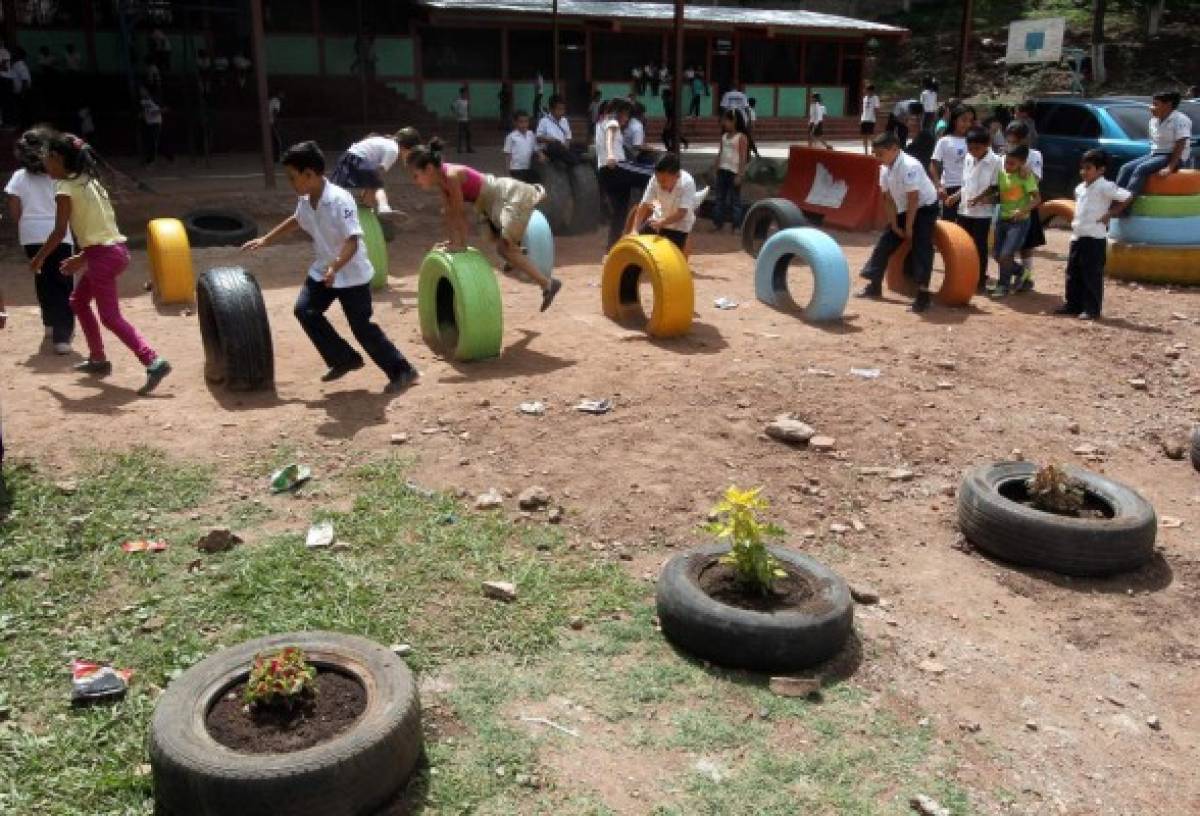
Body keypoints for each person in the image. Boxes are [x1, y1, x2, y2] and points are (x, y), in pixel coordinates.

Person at [243, 141, 418, 393]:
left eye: (293, 178)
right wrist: (266, 239)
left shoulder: (339, 200)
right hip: (324, 269)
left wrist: (335, 267)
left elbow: (353, 241)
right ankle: (344, 359)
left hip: (351, 274)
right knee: (305, 311)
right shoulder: (306, 199)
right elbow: (296, 220)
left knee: (362, 327)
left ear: (310, 175)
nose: (291, 183)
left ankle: (403, 370)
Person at [31, 132, 171, 394]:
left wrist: (39, 258)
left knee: (110, 317)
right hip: (113, 251)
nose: (44, 165)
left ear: (57, 159)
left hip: (103, 257)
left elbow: (60, 231)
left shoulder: (65, 188)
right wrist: (83, 256)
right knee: (78, 301)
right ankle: (97, 359)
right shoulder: (89, 182)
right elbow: (102, 229)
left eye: (46, 160)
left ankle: (152, 360)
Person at [407, 138, 561, 311]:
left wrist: (461, 245)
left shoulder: (451, 176)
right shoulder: (442, 183)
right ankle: (535, 271)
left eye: (416, 175)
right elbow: (449, 214)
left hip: (504, 195)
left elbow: (459, 213)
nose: (415, 181)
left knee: (505, 248)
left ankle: (546, 283)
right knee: (502, 247)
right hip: (488, 204)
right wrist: (451, 241)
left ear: (428, 169)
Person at [7, 128, 75, 354]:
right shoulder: (59, 173)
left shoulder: (18, 177)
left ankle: (49, 323)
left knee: (43, 278)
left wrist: (25, 226)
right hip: (59, 232)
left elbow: (15, 210)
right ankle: (62, 336)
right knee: (63, 281)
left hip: (31, 234)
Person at [858, 132, 940, 313]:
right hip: (903, 208)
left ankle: (923, 296)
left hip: (925, 207)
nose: (877, 158)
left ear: (894, 149)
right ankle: (874, 284)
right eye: (875, 154)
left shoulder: (910, 165)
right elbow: (887, 199)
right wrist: (895, 225)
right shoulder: (884, 169)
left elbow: (914, 198)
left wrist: (909, 227)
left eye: (880, 154)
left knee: (921, 245)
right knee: (885, 243)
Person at [1058, 149, 1132, 320]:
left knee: (1091, 275)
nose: (1083, 172)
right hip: (1078, 235)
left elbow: (1127, 196)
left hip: (1094, 238)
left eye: (1088, 168)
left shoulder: (1106, 186)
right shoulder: (1080, 188)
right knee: (1073, 272)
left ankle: (1091, 309)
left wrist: (1111, 213)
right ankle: (1073, 305)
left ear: (1101, 170)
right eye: (1082, 168)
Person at [948, 127, 1001, 292]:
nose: (973, 152)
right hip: (965, 210)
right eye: (970, 149)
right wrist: (955, 197)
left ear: (987, 145)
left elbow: (994, 187)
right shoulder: (969, 158)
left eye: (977, 148)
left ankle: (979, 280)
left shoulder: (996, 161)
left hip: (983, 213)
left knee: (979, 246)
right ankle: (963, 276)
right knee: (963, 245)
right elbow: (966, 184)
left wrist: (978, 199)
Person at [1116, 91, 1192, 199]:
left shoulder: (1180, 120)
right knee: (1126, 168)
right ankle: (1115, 200)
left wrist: (1170, 167)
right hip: (1156, 155)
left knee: (1141, 169)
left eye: (1156, 104)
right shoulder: (1153, 121)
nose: (1151, 107)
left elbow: (1180, 144)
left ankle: (1125, 204)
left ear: (1168, 105)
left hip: (1173, 157)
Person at [989, 145, 1041, 298]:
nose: (1008, 166)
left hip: (1019, 222)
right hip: (1002, 219)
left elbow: (1037, 199)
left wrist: (1022, 211)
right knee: (997, 255)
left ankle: (1003, 286)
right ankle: (1022, 272)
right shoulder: (1001, 174)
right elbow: (998, 193)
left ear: (1022, 163)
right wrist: (984, 200)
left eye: (1012, 163)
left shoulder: (1026, 176)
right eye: (1006, 162)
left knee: (1006, 254)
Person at [329, 130, 416, 213]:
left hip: (346, 158)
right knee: (377, 184)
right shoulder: (394, 150)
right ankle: (381, 208)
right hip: (357, 160)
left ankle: (365, 204)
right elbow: (378, 173)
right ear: (405, 147)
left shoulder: (384, 140)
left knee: (335, 189)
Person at [628, 153, 698, 256]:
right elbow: (644, 205)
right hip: (658, 219)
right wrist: (634, 230)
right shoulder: (654, 180)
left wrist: (662, 222)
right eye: (658, 180)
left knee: (671, 260)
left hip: (680, 226)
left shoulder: (688, 183)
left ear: (677, 175)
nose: (660, 184)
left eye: (664, 181)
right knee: (635, 250)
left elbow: (681, 213)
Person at [1006, 120, 1045, 290]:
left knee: (1026, 244)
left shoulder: (1034, 155)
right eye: (1010, 141)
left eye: (1015, 141)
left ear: (1025, 140)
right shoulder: (1006, 155)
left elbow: (1034, 179)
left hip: (1026, 205)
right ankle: (1014, 275)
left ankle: (1027, 277)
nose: (1012, 144)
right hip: (1009, 204)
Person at [596, 100, 640, 248]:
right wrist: (610, 155)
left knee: (619, 213)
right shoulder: (612, 122)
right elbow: (609, 139)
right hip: (615, 168)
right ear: (618, 113)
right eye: (626, 114)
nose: (627, 119)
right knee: (650, 175)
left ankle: (611, 249)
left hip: (606, 172)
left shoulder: (599, 125)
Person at [931, 106, 972, 222]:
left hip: (970, 187)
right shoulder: (944, 141)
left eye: (970, 121)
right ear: (954, 120)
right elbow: (933, 164)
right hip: (950, 188)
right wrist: (938, 186)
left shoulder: (973, 140)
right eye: (964, 120)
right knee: (949, 225)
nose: (967, 124)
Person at [711, 109, 748, 232]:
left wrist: (740, 174)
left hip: (733, 172)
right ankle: (718, 223)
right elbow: (720, 153)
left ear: (734, 121)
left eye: (727, 120)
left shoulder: (741, 137)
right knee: (720, 198)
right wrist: (715, 169)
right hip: (723, 170)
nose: (724, 123)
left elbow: (743, 157)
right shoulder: (724, 137)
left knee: (735, 200)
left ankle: (736, 225)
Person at [139, 86, 172, 166]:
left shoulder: (155, 99)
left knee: (154, 141)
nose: (142, 93)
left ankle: (151, 160)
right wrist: (142, 115)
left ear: (147, 91)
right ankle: (167, 157)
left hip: (156, 123)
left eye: (143, 91)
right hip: (148, 123)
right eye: (140, 91)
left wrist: (157, 111)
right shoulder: (142, 102)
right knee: (152, 141)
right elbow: (143, 112)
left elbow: (166, 109)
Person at [536, 95, 573, 163]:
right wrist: (551, 140)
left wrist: (566, 146)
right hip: (550, 148)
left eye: (563, 109)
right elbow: (538, 137)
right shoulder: (544, 121)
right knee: (555, 147)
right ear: (551, 109)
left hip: (562, 149)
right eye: (559, 109)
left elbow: (568, 136)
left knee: (567, 152)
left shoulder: (564, 120)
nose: (561, 111)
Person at [504, 110, 538, 184]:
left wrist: (541, 155)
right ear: (515, 123)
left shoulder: (531, 135)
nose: (524, 124)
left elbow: (535, 149)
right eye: (521, 122)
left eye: (526, 122)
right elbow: (508, 154)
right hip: (516, 169)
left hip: (528, 167)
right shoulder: (511, 137)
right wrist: (507, 170)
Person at [861, 83, 881, 155]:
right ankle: (866, 152)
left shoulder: (875, 98)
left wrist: (877, 120)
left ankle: (874, 150)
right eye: (866, 90)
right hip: (864, 119)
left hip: (871, 119)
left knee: (871, 136)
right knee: (864, 136)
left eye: (867, 90)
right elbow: (864, 109)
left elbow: (876, 109)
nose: (866, 91)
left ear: (871, 91)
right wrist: (861, 119)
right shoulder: (865, 98)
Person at [452, 85, 472, 153]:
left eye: (466, 93)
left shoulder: (466, 101)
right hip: (460, 120)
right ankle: (459, 149)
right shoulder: (458, 101)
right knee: (460, 135)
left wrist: (469, 116)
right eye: (465, 93)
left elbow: (468, 109)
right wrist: (456, 114)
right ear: (462, 93)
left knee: (468, 134)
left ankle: (468, 148)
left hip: (466, 120)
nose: (466, 94)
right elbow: (452, 107)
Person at [269, 90, 284, 162]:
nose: (283, 95)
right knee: (277, 141)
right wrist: (275, 122)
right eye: (282, 94)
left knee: (272, 141)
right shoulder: (277, 101)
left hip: (267, 123)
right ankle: (276, 158)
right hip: (271, 123)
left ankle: (271, 157)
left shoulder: (271, 100)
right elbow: (275, 111)